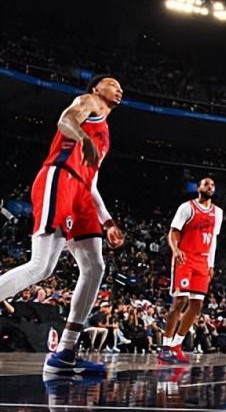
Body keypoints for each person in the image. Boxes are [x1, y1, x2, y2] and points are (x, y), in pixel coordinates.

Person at [0, 75, 125, 376]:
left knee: (95, 267)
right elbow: (65, 121)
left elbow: (92, 184)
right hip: (61, 177)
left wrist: (107, 221)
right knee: (41, 266)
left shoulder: (105, 133)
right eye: (112, 83)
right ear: (96, 88)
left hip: (82, 192)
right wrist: (83, 138)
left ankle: (65, 352)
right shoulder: (88, 102)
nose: (119, 88)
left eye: (120, 86)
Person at [159, 177, 224, 364]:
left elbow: (213, 239)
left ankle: (176, 345)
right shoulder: (187, 207)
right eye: (206, 184)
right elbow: (173, 232)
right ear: (198, 188)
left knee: (196, 305)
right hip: (185, 258)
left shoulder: (218, 212)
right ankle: (165, 347)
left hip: (203, 261)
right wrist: (175, 250)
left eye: (212, 185)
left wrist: (211, 264)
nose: (210, 186)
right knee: (180, 301)